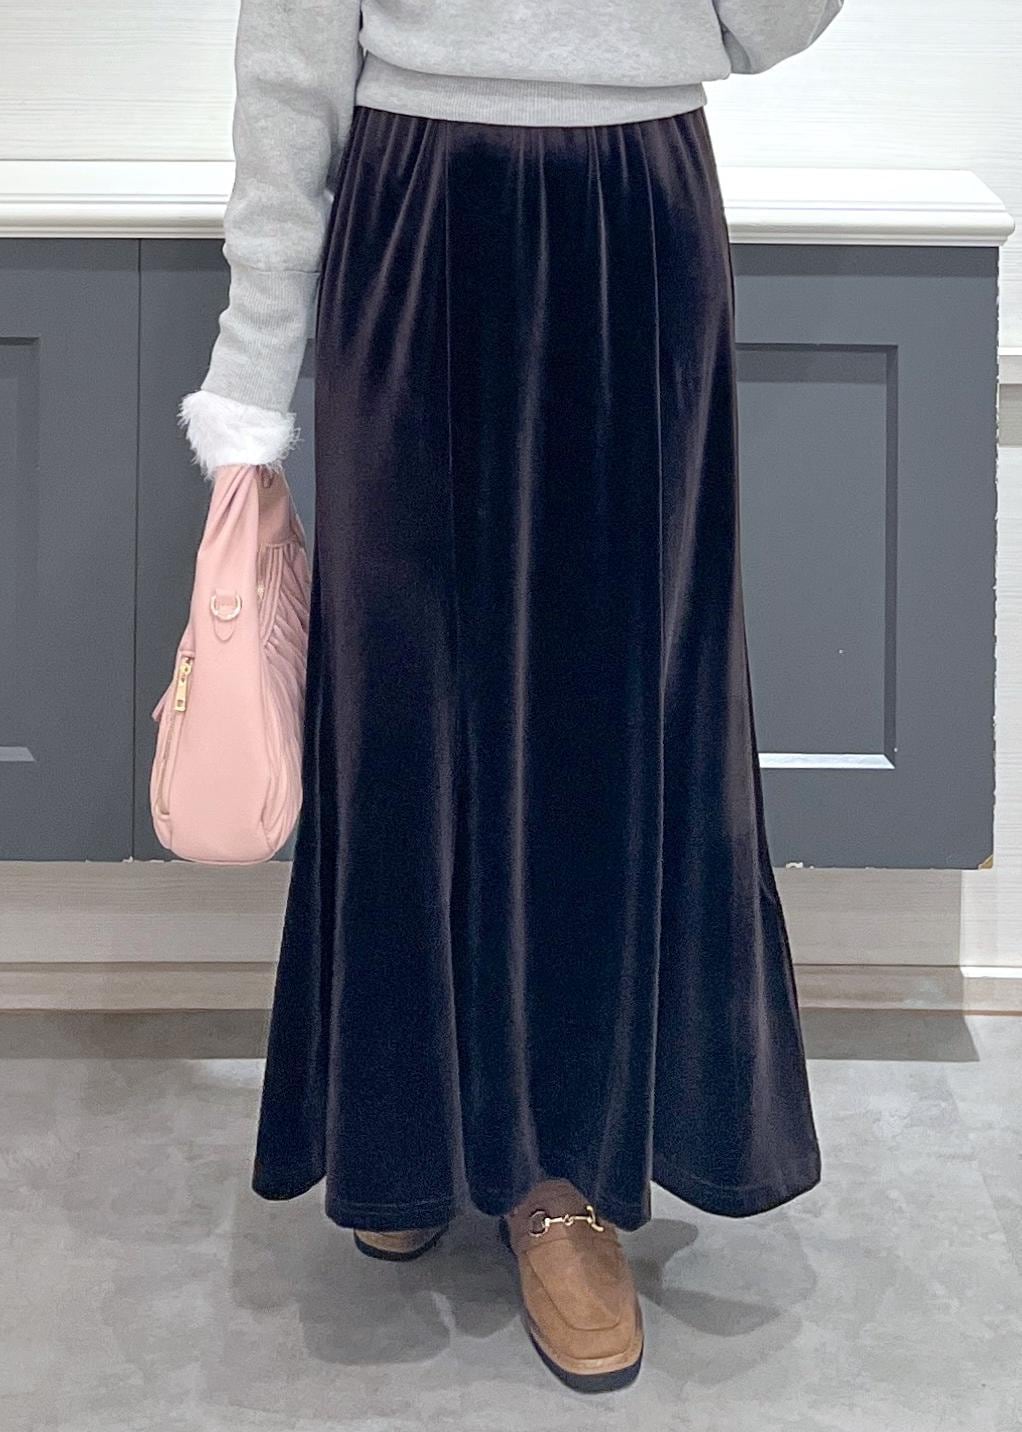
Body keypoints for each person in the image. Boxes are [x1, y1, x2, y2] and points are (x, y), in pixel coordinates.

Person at [179, 0, 842, 1394]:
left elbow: (766, 24)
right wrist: (250, 372)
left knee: (608, 713)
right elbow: (290, 68)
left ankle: (565, 1178)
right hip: (415, 217)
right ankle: (402, 1123)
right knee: (398, 696)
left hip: (633, 214)